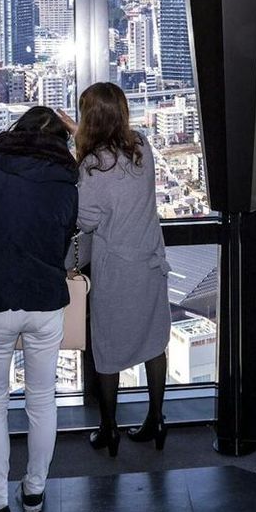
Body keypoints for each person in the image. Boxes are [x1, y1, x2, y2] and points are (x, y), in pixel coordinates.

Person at [0, 107, 79, 512]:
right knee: (42, 399)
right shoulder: (66, 182)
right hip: (45, 299)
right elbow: (61, 243)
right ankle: (35, 491)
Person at [74, 82, 171, 454]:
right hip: (150, 262)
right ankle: (157, 419)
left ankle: (109, 428)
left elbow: (85, 220)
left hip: (116, 269)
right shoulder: (142, 148)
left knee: (108, 348)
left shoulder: (94, 168)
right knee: (153, 341)